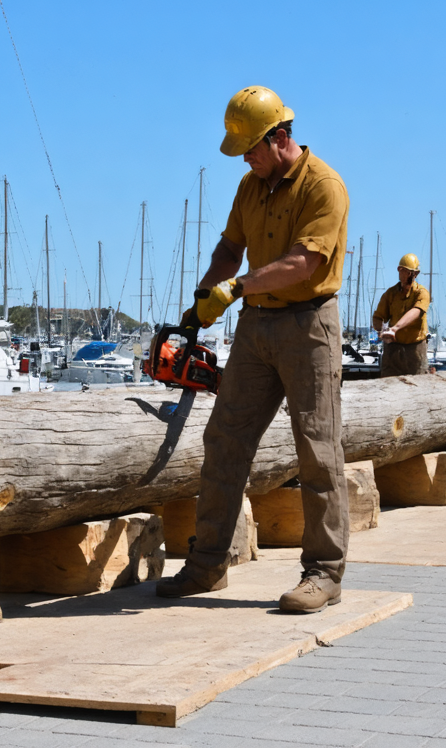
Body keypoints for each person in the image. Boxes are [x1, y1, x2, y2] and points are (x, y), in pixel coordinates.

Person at [156, 86, 350, 613]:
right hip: (256, 327)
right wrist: (202, 299)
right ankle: (207, 563)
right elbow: (229, 247)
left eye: (252, 148)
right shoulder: (250, 185)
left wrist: (235, 288)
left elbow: (303, 264)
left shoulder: (324, 186)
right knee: (225, 439)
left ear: (280, 137)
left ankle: (324, 573)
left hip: (308, 326)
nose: (245, 157)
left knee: (317, 447)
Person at [372, 254, 431, 376]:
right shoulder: (390, 294)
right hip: (393, 348)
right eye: (402, 270)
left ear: (415, 274)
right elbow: (378, 317)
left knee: (419, 386)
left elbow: (417, 311)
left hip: (415, 349)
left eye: (409, 272)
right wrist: (381, 330)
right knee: (388, 385)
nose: (404, 274)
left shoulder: (421, 293)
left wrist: (395, 328)